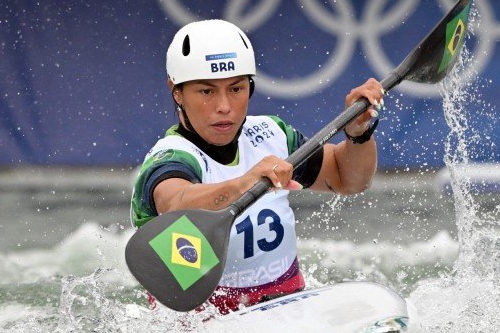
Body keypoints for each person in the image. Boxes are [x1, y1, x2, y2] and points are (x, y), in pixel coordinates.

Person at [131, 19, 383, 314]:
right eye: (207, 92)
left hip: (286, 307)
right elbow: (176, 205)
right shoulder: (171, 157)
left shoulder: (270, 134)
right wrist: (245, 181)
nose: (224, 105)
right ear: (177, 92)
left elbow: (346, 179)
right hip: (202, 331)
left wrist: (358, 133)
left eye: (236, 89)